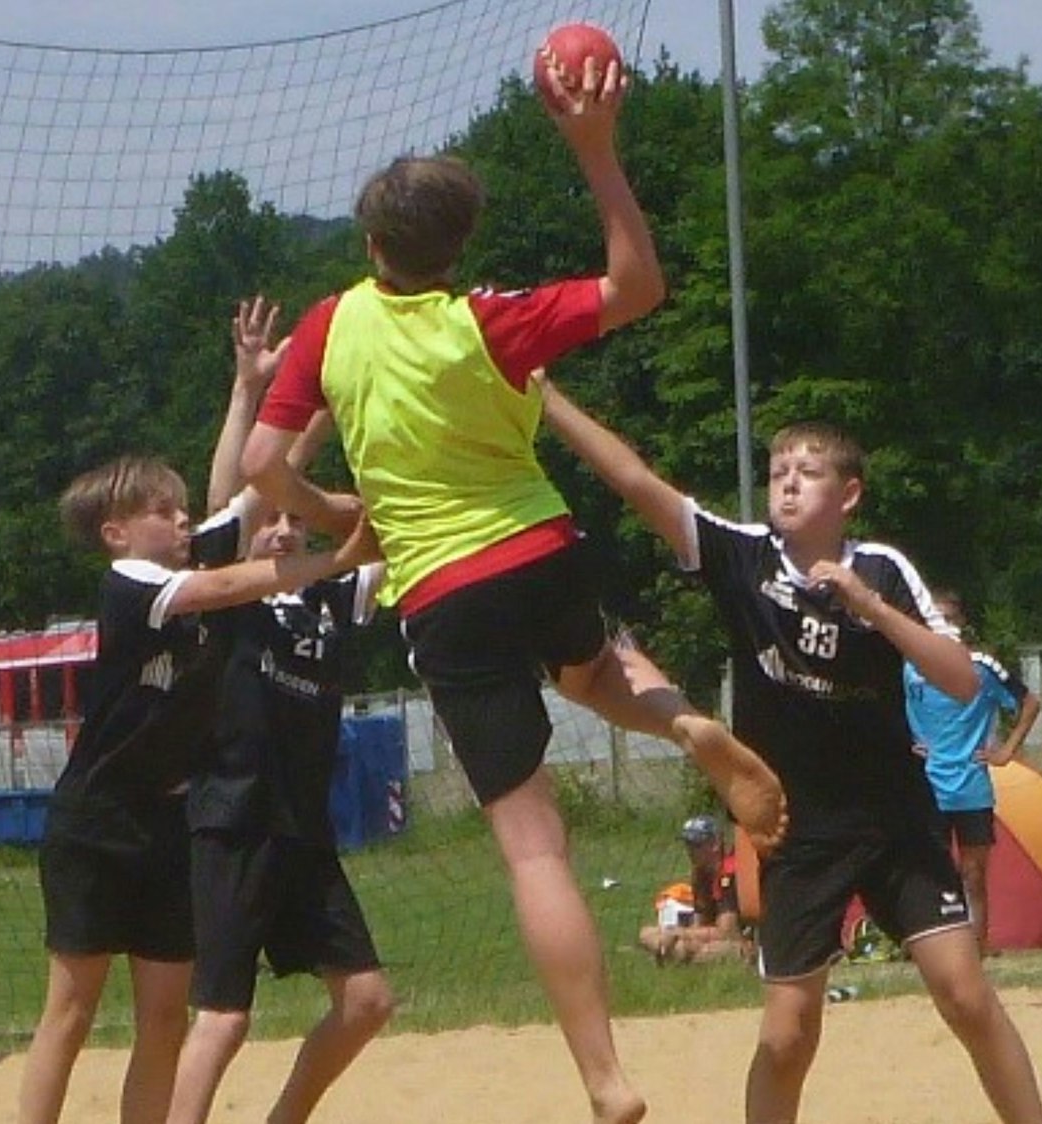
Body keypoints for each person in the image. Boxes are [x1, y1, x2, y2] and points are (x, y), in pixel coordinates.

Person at [238, 49, 784, 1124]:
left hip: (441, 587)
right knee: (591, 667)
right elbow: (639, 285)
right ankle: (680, 721)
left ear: (369, 242)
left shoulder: (328, 326)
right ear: (458, 244)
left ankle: (605, 1078)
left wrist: (336, 513)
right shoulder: (488, 320)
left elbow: (260, 467)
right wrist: (595, 149)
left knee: (534, 845)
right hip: (539, 543)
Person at [535, 378, 1042, 1124]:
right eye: (778, 470)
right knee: (786, 1036)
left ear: (848, 495)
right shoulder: (744, 558)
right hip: (796, 829)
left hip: (892, 820)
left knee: (965, 995)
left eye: (807, 472)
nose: (786, 482)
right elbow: (634, 481)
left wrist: (870, 609)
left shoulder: (878, 568)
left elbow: (962, 680)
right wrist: (547, 399)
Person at [19, 439, 378, 1124]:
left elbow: (257, 483)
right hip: (96, 818)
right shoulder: (131, 582)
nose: (183, 520)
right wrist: (335, 558)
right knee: (70, 1009)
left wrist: (294, 399)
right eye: (164, 510)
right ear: (116, 532)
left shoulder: (189, 554)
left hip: (169, 823)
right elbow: (224, 585)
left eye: (184, 509)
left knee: (162, 1015)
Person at [165, 297, 394, 1124]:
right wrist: (266, 394)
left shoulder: (336, 588)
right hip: (233, 815)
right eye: (274, 519)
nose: (280, 529)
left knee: (366, 999)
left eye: (298, 520)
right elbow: (243, 487)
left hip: (300, 827)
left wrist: (362, 399)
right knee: (223, 1016)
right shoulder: (232, 595)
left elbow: (383, 517)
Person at [904, 591, 1042, 956]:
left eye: (949, 618)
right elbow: (883, 708)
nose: (942, 626)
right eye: (934, 618)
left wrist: (1007, 750)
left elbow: (1030, 701)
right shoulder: (910, 665)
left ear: (962, 624)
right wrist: (904, 742)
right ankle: (931, 945)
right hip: (925, 785)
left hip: (970, 785)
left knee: (974, 871)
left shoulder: (981, 666)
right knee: (928, 870)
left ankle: (979, 943)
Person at [637, 815, 748, 966]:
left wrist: (680, 934)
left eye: (696, 845)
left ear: (715, 844)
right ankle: (671, 952)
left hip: (740, 942)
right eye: (687, 844)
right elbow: (700, 923)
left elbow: (727, 932)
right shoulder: (701, 874)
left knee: (688, 948)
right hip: (711, 936)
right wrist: (685, 936)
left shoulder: (728, 874)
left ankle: (670, 954)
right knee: (646, 933)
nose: (689, 851)